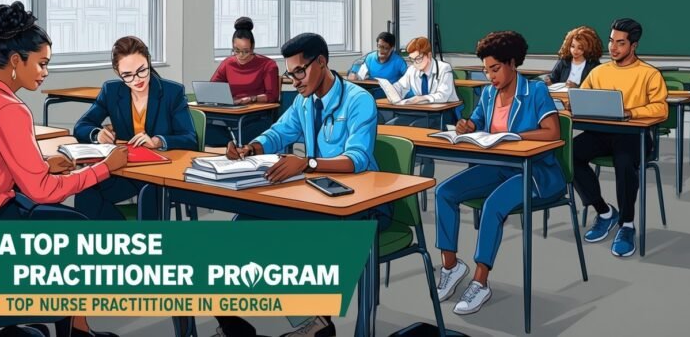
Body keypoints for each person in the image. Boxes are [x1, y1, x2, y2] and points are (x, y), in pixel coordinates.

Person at [0, 1, 126, 337]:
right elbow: (41, 190)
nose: (45, 72)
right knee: (79, 232)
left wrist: (42, 164)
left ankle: (73, 323)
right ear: (16, 61)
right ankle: (76, 328)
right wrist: (104, 167)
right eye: (42, 64)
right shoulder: (11, 110)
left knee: (59, 223)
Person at [217, 33, 386, 337]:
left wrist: (306, 164)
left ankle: (317, 323)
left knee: (287, 241)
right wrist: (250, 148)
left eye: (299, 71)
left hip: (359, 202)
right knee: (238, 228)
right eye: (289, 73)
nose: (294, 80)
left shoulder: (359, 100)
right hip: (315, 196)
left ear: (321, 62)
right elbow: (278, 133)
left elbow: (357, 158)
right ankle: (232, 325)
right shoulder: (304, 102)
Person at [433, 31, 564, 315]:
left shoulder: (535, 91)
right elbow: (478, 122)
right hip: (498, 167)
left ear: (512, 63)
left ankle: (480, 282)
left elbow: (553, 132)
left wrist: (511, 135)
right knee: (445, 192)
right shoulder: (489, 93)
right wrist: (467, 126)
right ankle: (451, 267)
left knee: (493, 205)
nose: (490, 76)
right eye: (485, 70)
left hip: (535, 172)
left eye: (495, 69)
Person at [73, 36, 198, 220]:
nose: (137, 80)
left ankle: (146, 242)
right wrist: (97, 134)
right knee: (86, 192)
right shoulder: (111, 91)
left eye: (142, 71)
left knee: (149, 195)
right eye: (128, 75)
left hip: (158, 173)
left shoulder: (172, 93)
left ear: (148, 61)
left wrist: (158, 141)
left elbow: (190, 138)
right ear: (117, 72)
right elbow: (81, 126)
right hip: (126, 170)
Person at [573, 18, 668, 257]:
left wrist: (631, 112)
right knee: (568, 154)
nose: (613, 48)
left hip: (633, 136)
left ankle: (627, 224)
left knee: (624, 163)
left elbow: (661, 109)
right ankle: (605, 212)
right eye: (611, 41)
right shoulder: (598, 72)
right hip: (601, 134)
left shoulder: (649, 74)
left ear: (633, 46)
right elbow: (581, 97)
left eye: (621, 43)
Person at [387, 36, 461, 177]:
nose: (415, 63)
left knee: (415, 128)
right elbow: (400, 86)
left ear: (429, 55)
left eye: (418, 59)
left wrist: (422, 99)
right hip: (421, 113)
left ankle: (420, 172)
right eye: (412, 59)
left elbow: (443, 96)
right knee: (392, 125)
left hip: (443, 116)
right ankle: (397, 167)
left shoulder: (444, 68)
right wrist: (391, 90)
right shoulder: (412, 70)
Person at [207, 17, 280, 146]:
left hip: (256, 115)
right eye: (237, 51)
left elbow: (272, 96)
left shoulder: (268, 65)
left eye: (246, 51)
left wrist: (250, 99)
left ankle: (237, 150)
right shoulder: (228, 63)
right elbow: (213, 87)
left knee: (245, 131)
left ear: (252, 47)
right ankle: (229, 149)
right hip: (231, 112)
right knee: (206, 127)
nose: (241, 55)